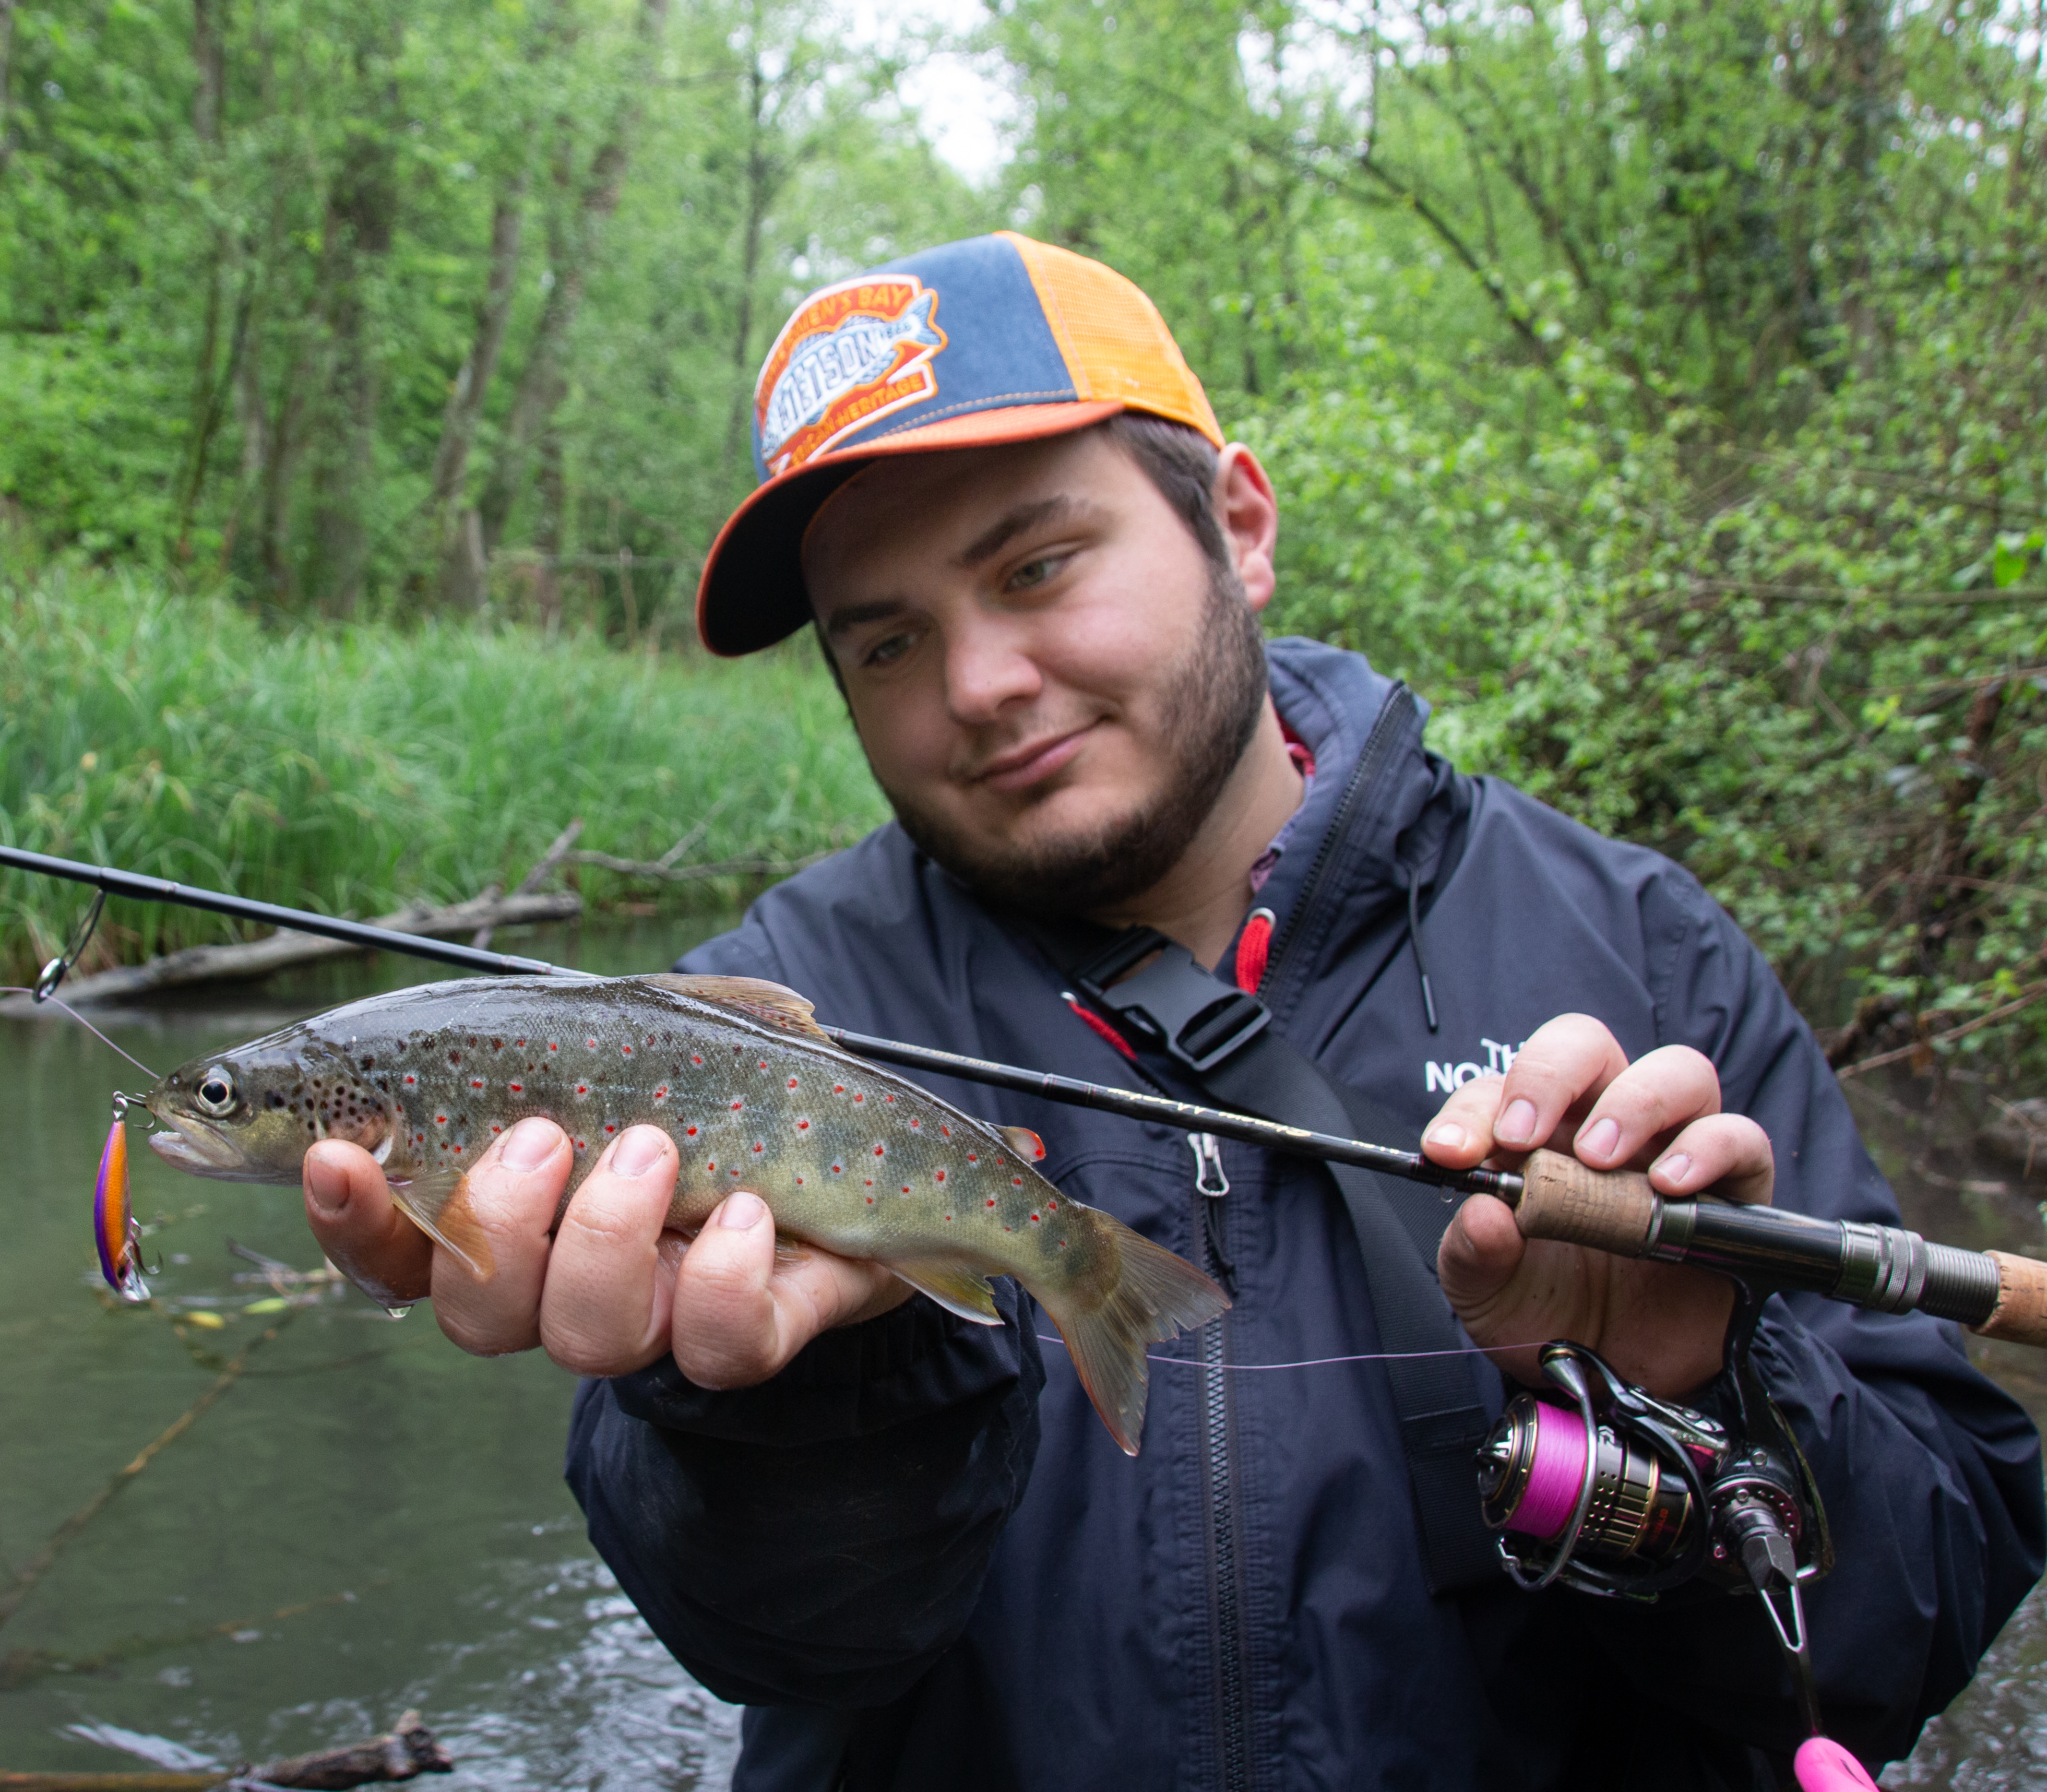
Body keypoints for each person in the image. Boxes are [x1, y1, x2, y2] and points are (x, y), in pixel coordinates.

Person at [298, 232, 2043, 1788]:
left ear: (1241, 525)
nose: (979, 686)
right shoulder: (770, 1007)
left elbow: (1914, 1626)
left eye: (1041, 565)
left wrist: (1700, 1385)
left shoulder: (1632, 940)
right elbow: (774, 1658)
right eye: (885, 644)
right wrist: (777, 1409)